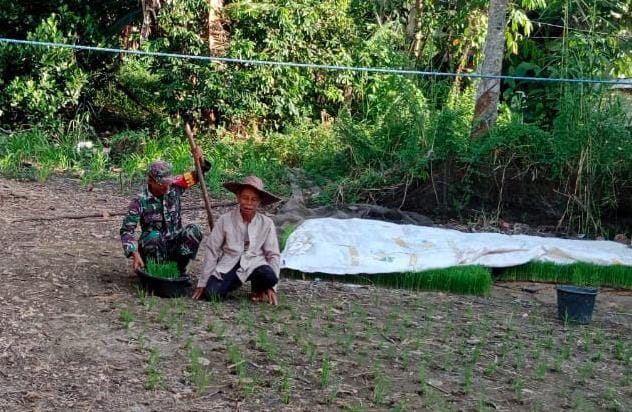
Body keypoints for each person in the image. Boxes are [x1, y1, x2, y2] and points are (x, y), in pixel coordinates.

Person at [120, 146, 211, 274]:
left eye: (168, 183)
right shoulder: (140, 201)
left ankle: (179, 269)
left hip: (175, 245)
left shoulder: (176, 186)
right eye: (162, 184)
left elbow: (197, 175)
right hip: (154, 248)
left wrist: (200, 158)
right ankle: (155, 271)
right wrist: (133, 253)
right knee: (153, 236)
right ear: (150, 181)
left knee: (193, 231)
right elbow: (126, 231)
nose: (167, 187)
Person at [192, 175, 281, 305]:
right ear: (238, 197)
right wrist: (203, 282)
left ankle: (258, 289)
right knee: (212, 293)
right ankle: (232, 283)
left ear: (259, 202)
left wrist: (272, 287)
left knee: (270, 277)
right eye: (245, 198)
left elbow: (273, 254)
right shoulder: (225, 220)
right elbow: (212, 249)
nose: (249, 203)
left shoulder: (266, 223)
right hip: (230, 263)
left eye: (254, 199)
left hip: (255, 263)